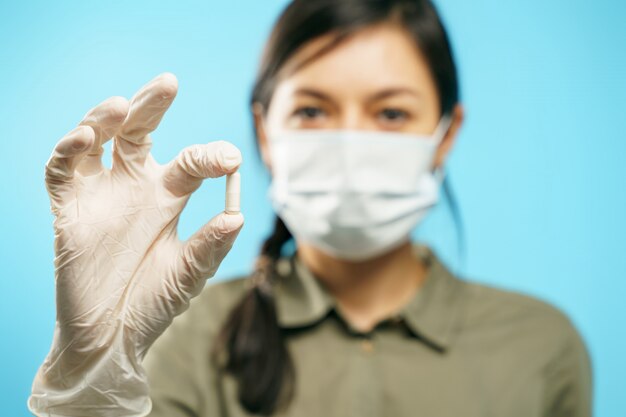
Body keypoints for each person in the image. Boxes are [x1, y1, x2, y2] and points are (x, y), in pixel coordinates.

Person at [28, 0, 592, 416]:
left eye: (391, 114)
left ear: (447, 134)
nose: (350, 144)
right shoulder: (176, 338)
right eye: (313, 112)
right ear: (264, 131)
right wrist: (88, 385)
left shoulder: (542, 346)